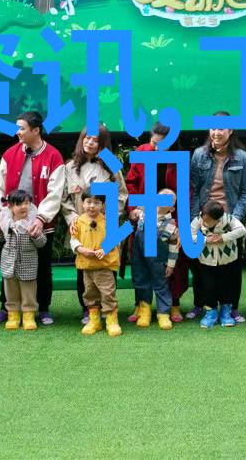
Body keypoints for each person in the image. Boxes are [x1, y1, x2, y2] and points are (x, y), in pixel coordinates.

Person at [0, 111, 65, 326]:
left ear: (36, 130)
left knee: (43, 267)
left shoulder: (53, 156)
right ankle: (6, 308)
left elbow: (55, 192)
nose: (18, 132)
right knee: (8, 265)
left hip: (41, 223)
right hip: (11, 222)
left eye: (22, 128)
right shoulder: (10, 153)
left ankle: (43, 309)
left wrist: (41, 219)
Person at [60, 124, 128, 323]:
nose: (90, 143)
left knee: (107, 266)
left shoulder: (111, 163)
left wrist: (109, 218)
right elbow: (64, 198)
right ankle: (89, 311)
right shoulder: (70, 166)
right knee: (84, 268)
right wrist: (73, 218)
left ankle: (109, 311)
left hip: (105, 227)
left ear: (103, 143)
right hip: (80, 227)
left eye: (95, 140)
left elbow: (122, 194)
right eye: (87, 138)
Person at [189, 115, 246, 322]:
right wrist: (195, 218)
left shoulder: (241, 157)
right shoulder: (199, 154)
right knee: (201, 266)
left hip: (229, 219)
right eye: (213, 128)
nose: (216, 132)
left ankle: (232, 307)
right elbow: (193, 188)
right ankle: (201, 305)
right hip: (204, 217)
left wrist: (236, 217)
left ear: (230, 131)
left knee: (231, 268)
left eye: (221, 129)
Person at [125, 122, 183, 321]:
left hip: (170, 217)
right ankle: (141, 305)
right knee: (140, 263)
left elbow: (185, 192)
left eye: (162, 144)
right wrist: (132, 209)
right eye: (154, 142)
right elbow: (131, 183)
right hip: (144, 216)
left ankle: (172, 304)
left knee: (169, 265)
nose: (156, 148)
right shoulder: (141, 152)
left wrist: (179, 224)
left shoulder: (179, 158)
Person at [69, 193, 122, 337]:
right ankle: (94, 320)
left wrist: (105, 249)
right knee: (89, 294)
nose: (92, 206)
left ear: (102, 205)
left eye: (96, 203)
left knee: (107, 293)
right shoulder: (78, 221)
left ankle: (112, 320)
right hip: (87, 266)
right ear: (83, 203)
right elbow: (73, 239)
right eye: (89, 202)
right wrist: (80, 249)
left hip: (104, 266)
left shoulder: (108, 221)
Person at [190, 200, 246, 329]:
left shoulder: (228, 219)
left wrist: (223, 237)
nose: (204, 222)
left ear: (218, 219)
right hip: (206, 260)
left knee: (227, 285)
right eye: (203, 218)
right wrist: (205, 239)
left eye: (208, 220)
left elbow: (241, 230)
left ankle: (226, 312)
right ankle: (211, 312)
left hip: (227, 259)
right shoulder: (198, 219)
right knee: (208, 286)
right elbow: (189, 235)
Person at [0, 190, 44, 331]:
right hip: (9, 263)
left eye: (27, 203)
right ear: (10, 207)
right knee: (11, 291)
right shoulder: (6, 222)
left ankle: (28, 315)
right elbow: (1, 239)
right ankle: (13, 315)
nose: (24, 207)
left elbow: (42, 243)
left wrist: (36, 235)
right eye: (19, 204)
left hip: (28, 264)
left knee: (29, 291)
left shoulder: (33, 223)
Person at [130, 189, 179, 330]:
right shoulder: (145, 208)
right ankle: (144, 310)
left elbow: (174, 246)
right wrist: (135, 212)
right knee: (140, 281)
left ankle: (163, 313)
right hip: (139, 257)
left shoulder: (171, 224)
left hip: (158, 259)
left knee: (161, 284)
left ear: (172, 208)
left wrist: (171, 265)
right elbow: (133, 213)